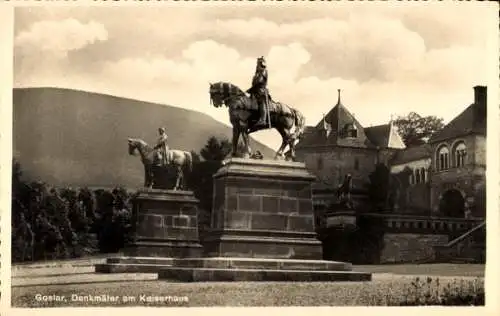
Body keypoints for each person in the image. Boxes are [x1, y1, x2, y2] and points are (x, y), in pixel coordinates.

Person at [246, 56, 269, 128]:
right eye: (257, 64)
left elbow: (259, 81)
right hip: (255, 90)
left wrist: (252, 88)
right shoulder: (257, 74)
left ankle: (263, 119)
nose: (257, 66)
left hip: (261, 90)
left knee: (261, 101)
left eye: (258, 64)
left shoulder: (263, 71)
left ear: (261, 64)